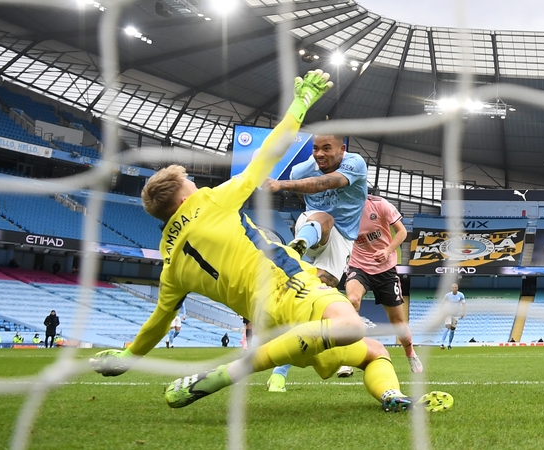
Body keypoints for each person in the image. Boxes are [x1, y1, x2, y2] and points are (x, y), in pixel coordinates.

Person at [88, 70, 451, 413]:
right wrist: (300, 103)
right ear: (185, 200)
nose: (198, 189)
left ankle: (392, 396)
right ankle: (229, 372)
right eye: (192, 188)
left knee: (372, 351)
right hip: (289, 286)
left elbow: (158, 322)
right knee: (352, 325)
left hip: (269, 328)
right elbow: (268, 153)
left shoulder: (171, 268)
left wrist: (128, 356)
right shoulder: (211, 202)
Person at [262, 106, 367, 383]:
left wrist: (282, 185)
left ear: (341, 149)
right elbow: (308, 190)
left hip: (343, 239)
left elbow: (326, 183)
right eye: (315, 148)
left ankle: (279, 372)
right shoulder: (302, 169)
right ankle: (297, 246)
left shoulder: (355, 163)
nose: (319, 154)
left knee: (320, 295)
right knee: (324, 218)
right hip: (313, 226)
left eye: (326, 148)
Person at [345, 195, 421, 372]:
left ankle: (410, 353)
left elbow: (402, 232)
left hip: (385, 270)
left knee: (398, 323)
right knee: (352, 301)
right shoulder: (343, 208)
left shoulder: (380, 205)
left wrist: (387, 250)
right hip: (359, 266)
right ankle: (348, 356)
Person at [439, 283, 466, 349]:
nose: (454, 288)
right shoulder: (448, 295)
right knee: (447, 327)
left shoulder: (460, 295)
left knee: (452, 329)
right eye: (453, 287)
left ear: (457, 288)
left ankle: (449, 344)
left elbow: (464, 304)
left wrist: (463, 312)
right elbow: (442, 303)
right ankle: (442, 344)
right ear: (451, 288)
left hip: (455, 315)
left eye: (456, 287)